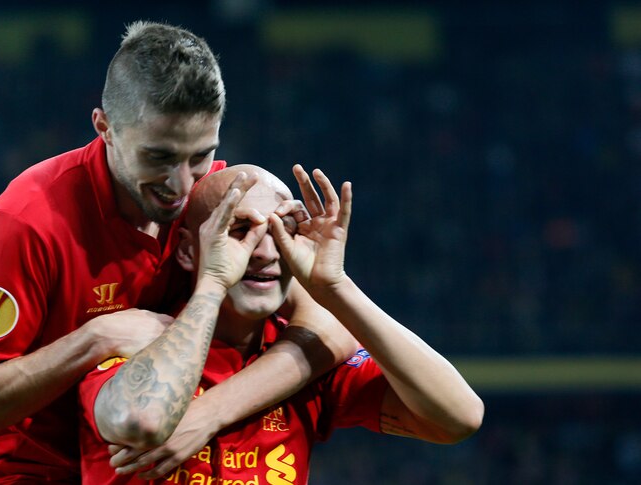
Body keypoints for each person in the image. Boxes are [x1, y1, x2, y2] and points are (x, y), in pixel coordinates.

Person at [0, 22, 355, 483]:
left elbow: (334, 327)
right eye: (159, 157)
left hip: (147, 460)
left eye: (200, 155)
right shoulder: (28, 221)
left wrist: (210, 414)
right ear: (105, 127)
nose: (181, 184)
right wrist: (94, 339)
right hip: (30, 471)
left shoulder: (213, 201)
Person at [79, 165, 484, 484]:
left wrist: (336, 287)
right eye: (241, 231)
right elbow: (140, 420)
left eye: (282, 230)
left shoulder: (307, 362)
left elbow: (458, 416)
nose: (267, 252)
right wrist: (214, 283)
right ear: (188, 249)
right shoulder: (136, 338)